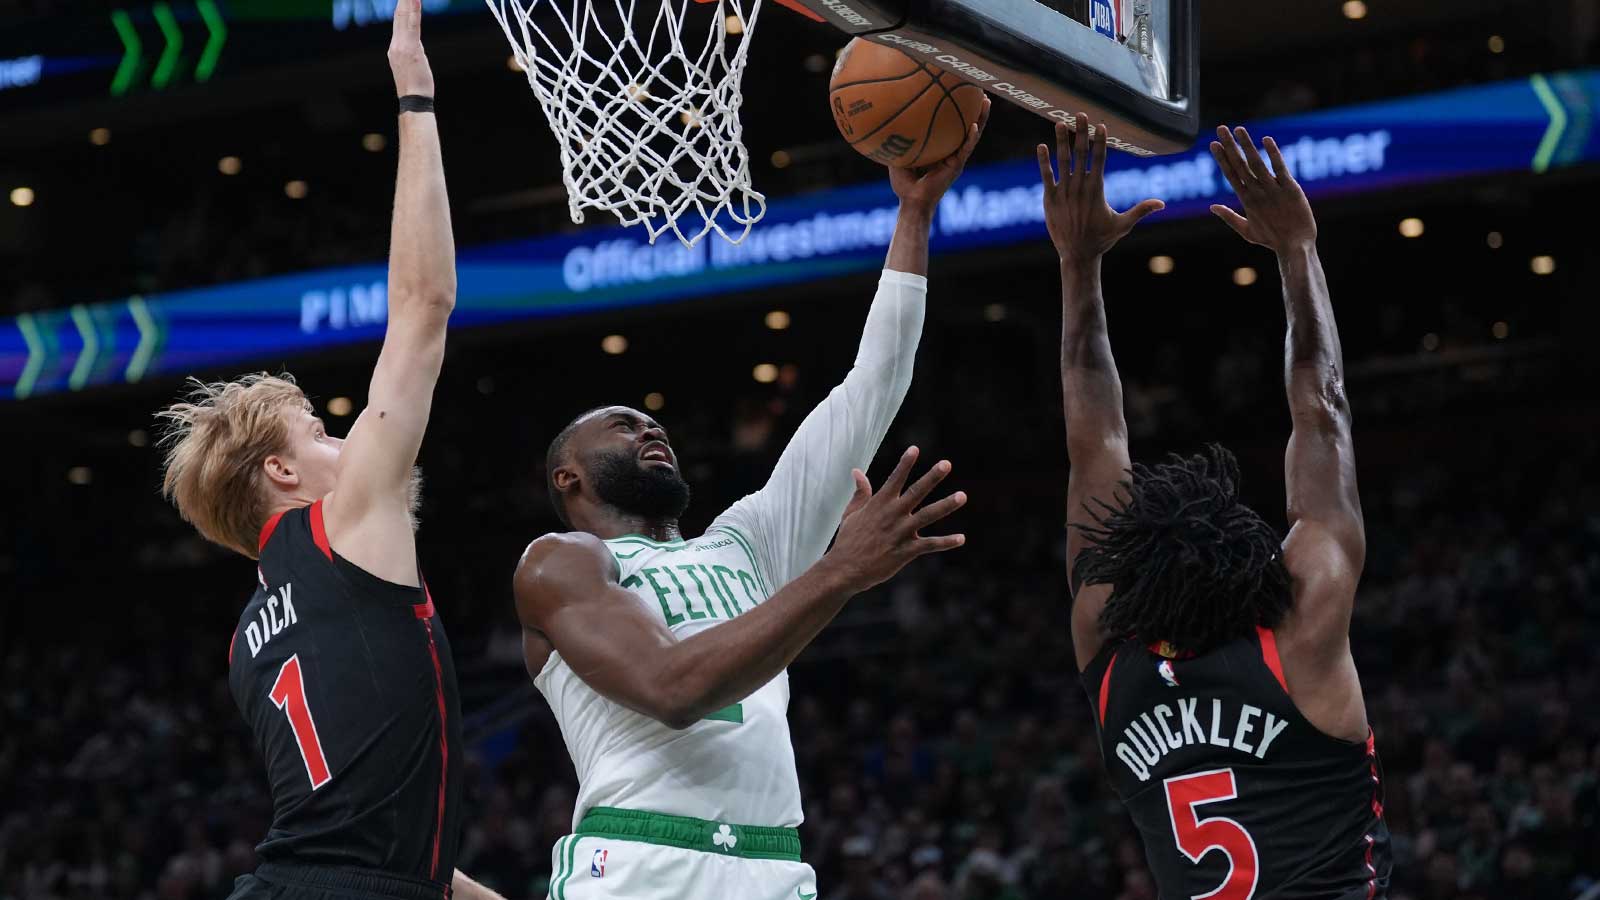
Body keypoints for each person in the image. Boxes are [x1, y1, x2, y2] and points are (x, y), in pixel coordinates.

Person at [512, 99, 992, 900]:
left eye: (656, 423)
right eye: (624, 426)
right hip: (640, 862)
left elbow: (872, 388)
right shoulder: (561, 562)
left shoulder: (747, 541)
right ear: (568, 477)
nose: (649, 430)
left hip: (774, 863)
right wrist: (840, 573)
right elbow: (672, 690)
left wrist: (912, 216)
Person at [154, 4, 501, 898]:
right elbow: (423, 307)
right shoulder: (342, 526)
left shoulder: (248, 640)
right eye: (320, 433)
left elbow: (366, 841)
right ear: (282, 474)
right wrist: (415, 95)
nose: (348, 443)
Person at [1043, 117, 1393, 898]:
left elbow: (1092, 443)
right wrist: (1297, 252)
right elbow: (1322, 408)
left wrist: (1077, 264)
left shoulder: (1109, 648)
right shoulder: (1299, 635)